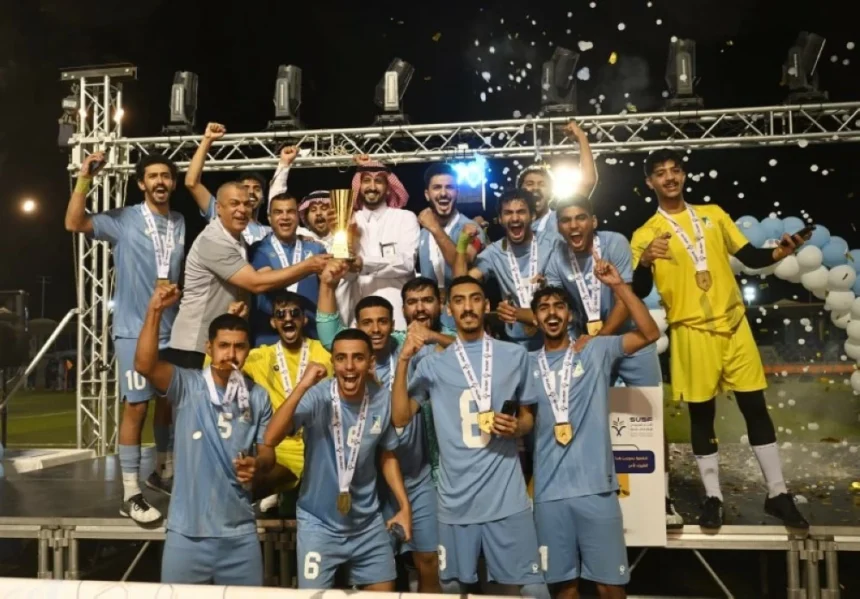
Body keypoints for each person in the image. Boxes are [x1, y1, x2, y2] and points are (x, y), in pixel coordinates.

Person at [630, 148, 810, 529]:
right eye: (660, 173)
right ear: (649, 182)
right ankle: (713, 497)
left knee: (755, 408)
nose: (669, 177)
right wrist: (646, 260)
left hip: (733, 325)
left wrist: (781, 251)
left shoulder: (712, 214)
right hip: (691, 330)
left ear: (684, 175)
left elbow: (752, 257)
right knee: (702, 416)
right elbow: (640, 288)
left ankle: (777, 493)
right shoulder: (645, 234)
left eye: (675, 170)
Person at [393, 276, 549, 598]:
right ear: (448, 309)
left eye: (475, 299)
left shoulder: (515, 355)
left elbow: (528, 419)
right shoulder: (433, 364)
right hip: (455, 499)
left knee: (533, 589)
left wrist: (517, 427)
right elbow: (400, 417)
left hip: (506, 496)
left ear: (486, 305)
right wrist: (404, 360)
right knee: (451, 586)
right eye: (459, 300)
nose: (468, 307)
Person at [545, 195, 683, 528]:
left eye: (580, 218)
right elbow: (557, 307)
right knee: (586, 416)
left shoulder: (614, 243)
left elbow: (624, 298)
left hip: (629, 339)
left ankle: (663, 498)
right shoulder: (556, 258)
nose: (574, 225)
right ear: (558, 226)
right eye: (566, 220)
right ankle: (594, 490)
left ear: (593, 221)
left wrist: (600, 339)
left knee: (649, 415)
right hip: (591, 344)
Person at [64, 152, 184, 524]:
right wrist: (85, 178)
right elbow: (73, 222)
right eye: (153, 176)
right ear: (141, 183)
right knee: (136, 407)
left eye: (166, 175)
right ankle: (130, 493)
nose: (160, 181)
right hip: (134, 329)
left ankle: (162, 471)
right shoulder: (125, 219)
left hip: (171, 329)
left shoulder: (179, 221)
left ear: (173, 183)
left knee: (169, 402)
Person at [530, 266, 661, 599]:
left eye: (559, 306)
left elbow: (649, 333)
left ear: (571, 315)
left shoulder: (597, 350)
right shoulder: (526, 363)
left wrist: (619, 286)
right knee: (563, 589)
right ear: (536, 319)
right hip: (549, 492)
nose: (552, 313)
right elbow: (525, 420)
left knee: (610, 587)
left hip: (597, 490)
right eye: (543, 308)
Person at [134, 285, 271, 585]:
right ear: (209, 348)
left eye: (239, 347)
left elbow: (267, 452)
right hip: (187, 536)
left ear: (249, 349)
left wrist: (258, 465)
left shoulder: (259, 396)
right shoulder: (188, 386)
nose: (231, 354)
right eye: (224, 346)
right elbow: (144, 365)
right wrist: (155, 310)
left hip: (239, 535)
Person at [261, 329, 412, 591]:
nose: (349, 366)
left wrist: (404, 506)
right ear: (333, 362)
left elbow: (388, 455)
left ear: (370, 362)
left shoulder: (381, 399)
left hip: (366, 522)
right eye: (341, 358)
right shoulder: (318, 396)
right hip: (319, 523)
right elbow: (270, 437)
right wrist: (303, 385)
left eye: (358, 358)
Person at [168, 181, 330, 369]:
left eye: (247, 204)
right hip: (195, 343)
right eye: (234, 203)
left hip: (221, 339)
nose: (242, 209)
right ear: (218, 208)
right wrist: (308, 265)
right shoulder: (213, 240)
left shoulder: (239, 239)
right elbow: (256, 283)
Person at [235, 291, 333, 512]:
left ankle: (283, 498)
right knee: (247, 482)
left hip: (318, 445)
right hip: (278, 449)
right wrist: (235, 323)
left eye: (294, 313)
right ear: (273, 322)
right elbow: (216, 368)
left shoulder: (326, 352)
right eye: (281, 314)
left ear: (304, 319)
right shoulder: (260, 356)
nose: (288, 319)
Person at [454, 189, 556, 350]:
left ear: (532, 216)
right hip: (517, 344)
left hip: (555, 336)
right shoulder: (494, 252)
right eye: (508, 213)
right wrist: (462, 243)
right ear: (500, 219)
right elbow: (460, 286)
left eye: (521, 212)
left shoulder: (552, 243)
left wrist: (516, 312)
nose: (515, 218)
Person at [185, 122, 297, 244]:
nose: (251, 192)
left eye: (257, 189)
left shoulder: (269, 232)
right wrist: (207, 140)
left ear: (264, 199)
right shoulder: (220, 214)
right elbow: (192, 183)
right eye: (245, 188)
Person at [247, 191, 328, 345]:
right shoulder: (258, 249)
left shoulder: (316, 248)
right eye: (278, 212)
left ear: (298, 217)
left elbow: (329, 286)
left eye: (290, 212)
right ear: (269, 218)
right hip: (268, 338)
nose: (285, 217)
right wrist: (308, 266)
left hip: (311, 335)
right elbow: (265, 281)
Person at [349, 155, 417, 330]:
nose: (372, 187)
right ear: (359, 187)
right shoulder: (350, 221)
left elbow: (407, 263)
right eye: (366, 181)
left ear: (388, 189)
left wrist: (364, 263)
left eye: (378, 181)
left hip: (398, 317)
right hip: (359, 318)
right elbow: (345, 272)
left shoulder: (404, 218)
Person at [417, 164, 487, 330]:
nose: (443, 193)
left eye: (449, 187)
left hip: (463, 319)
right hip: (429, 320)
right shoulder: (423, 233)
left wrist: (435, 229)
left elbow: (462, 263)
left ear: (457, 193)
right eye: (437, 187)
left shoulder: (471, 228)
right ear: (427, 194)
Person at [518, 121, 596, 244]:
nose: (535, 188)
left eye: (542, 184)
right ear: (520, 192)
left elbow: (587, 181)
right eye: (529, 184)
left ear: (551, 193)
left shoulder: (560, 219)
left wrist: (581, 137)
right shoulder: (513, 222)